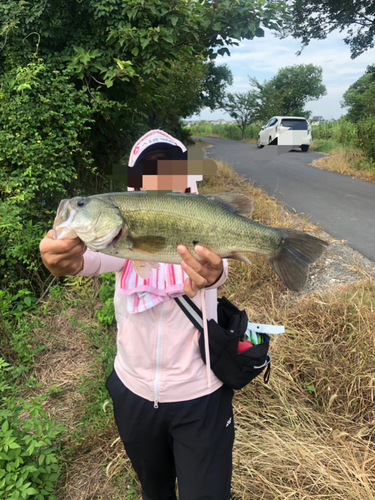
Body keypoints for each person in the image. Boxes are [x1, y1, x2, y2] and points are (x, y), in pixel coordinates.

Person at [39, 130, 234, 500]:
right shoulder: (120, 237)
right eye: (148, 174)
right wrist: (62, 259)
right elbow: (84, 259)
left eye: (172, 172)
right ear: (134, 186)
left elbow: (219, 269)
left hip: (201, 395)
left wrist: (215, 274)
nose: (161, 182)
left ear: (188, 181)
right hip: (133, 392)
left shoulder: (200, 224)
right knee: (153, 491)